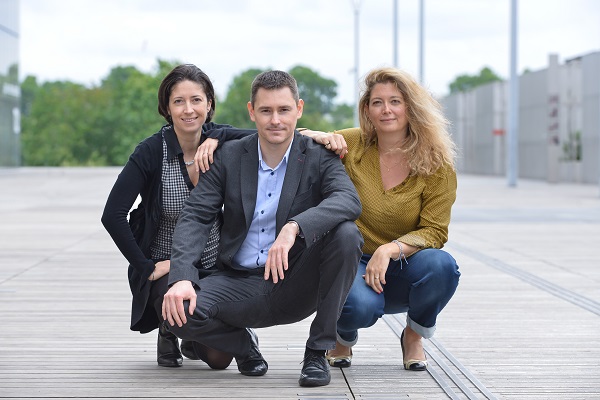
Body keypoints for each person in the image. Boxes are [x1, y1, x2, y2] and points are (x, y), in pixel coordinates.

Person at [161, 70, 363, 387]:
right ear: (252, 112)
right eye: (266, 111)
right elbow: (196, 215)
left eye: (283, 110)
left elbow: (348, 200)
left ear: (298, 109)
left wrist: (295, 226)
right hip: (238, 282)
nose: (275, 120)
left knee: (347, 233)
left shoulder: (319, 156)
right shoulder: (228, 156)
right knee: (176, 308)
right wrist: (183, 278)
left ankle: (317, 352)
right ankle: (245, 346)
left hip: (294, 280)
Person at [302, 67, 460, 372]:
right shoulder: (352, 144)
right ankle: (343, 335)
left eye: (395, 101)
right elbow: (296, 139)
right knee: (359, 308)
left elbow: (435, 230)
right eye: (377, 102)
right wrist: (320, 136)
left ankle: (414, 334)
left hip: (404, 261)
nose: (386, 110)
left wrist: (390, 250)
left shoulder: (437, 163)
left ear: (410, 108)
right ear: (367, 110)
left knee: (443, 267)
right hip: (352, 259)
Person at [101, 64, 253, 369]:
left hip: (212, 265)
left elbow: (267, 135)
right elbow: (112, 215)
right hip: (164, 266)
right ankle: (172, 328)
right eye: (178, 101)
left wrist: (219, 136)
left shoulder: (220, 141)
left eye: (196, 100)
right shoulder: (150, 152)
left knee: (219, 360)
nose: (188, 110)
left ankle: (193, 335)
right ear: (166, 108)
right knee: (180, 311)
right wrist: (145, 267)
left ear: (209, 104)